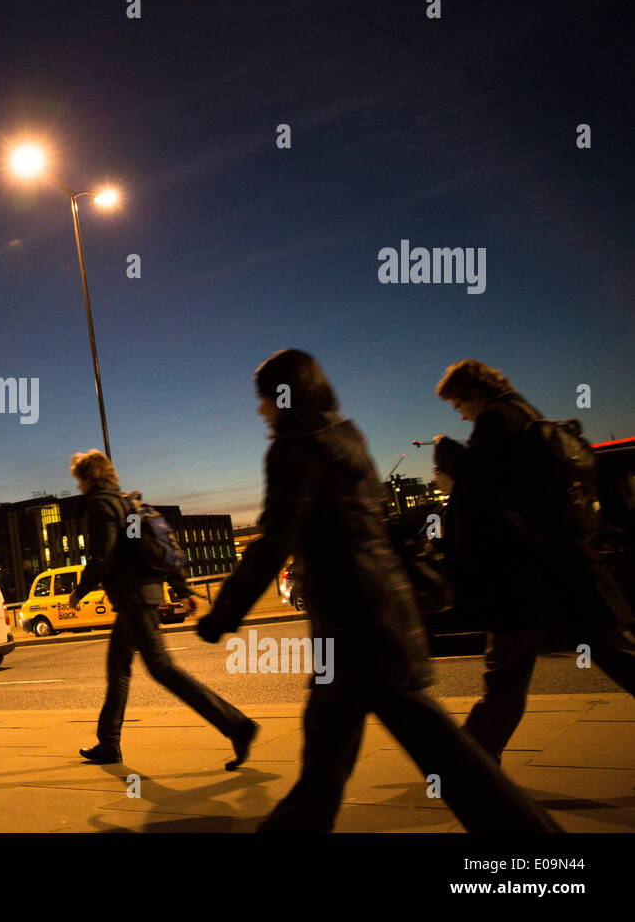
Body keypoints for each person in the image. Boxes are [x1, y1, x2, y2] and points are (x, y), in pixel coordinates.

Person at [196, 349, 559, 832]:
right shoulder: (347, 437)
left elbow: (273, 542)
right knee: (326, 770)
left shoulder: (294, 448)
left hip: (356, 632)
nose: (260, 409)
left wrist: (222, 615)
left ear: (283, 397)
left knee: (454, 768)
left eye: (263, 399)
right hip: (379, 617)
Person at [433, 359, 635, 763]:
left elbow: (484, 480)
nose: (461, 413)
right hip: (567, 566)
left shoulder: (495, 419)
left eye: (459, 405)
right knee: (612, 652)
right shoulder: (525, 412)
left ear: (473, 393)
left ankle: (469, 769)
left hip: (525, 575)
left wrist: (447, 452)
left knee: (505, 678)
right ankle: (472, 764)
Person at [69, 450, 258, 768]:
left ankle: (236, 725)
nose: (78, 487)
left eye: (79, 480)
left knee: (162, 668)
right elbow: (146, 547)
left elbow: (104, 557)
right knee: (118, 667)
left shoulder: (102, 504)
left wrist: (80, 590)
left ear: (88, 478)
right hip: (143, 594)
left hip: (134, 598)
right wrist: (182, 588)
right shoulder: (127, 503)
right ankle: (109, 743)